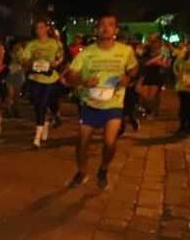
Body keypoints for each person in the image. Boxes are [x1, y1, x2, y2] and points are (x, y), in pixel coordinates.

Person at [62, 14, 138, 190]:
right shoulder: (87, 52)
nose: (105, 28)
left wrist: (128, 78)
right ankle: (82, 172)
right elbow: (71, 76)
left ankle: (103, 169)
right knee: (82, 142)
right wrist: (84, 81)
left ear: (116, 30)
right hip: (90, 103)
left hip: (113, 103)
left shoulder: (125, 51)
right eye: (102, 25)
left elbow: (134, 69)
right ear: (96, 30)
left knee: (110, 143)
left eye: (110, 25)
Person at [20, 20, 65, 148]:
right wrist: (29, 63)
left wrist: (56, 63)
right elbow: (24, 58)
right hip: (35, 77)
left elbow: (61, 57)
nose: (39, 30)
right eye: (37, 28)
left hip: (50, 79)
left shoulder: (55, 43)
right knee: (37, 104)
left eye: (41, 27)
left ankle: (37, 137)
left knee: (44, 104)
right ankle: (44, 122)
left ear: (47, 28)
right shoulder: (32, 44)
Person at [137, 35, 170, 118]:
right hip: (146, 75)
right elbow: (144, 62)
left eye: (156, 42)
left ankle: (153, 112)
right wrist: (154, 61)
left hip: (157, 76)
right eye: (153, 42)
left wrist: (156, 62)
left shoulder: (163, 53)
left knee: (152, 96)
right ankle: (147, 110)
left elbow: (165, 64)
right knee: (144, 96)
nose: (154, 44)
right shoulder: (146, 52)